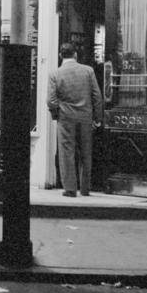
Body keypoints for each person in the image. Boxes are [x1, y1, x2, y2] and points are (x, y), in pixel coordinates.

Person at [47, 43, 103, 198]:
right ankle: (85, 188)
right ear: (75, 55)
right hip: (85, 117)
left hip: (65, 118)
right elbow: (97, 96)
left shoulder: (55, 74)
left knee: (66, 152)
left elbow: (51, 101)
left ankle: (70, 189)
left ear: (60, 55)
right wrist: (97, 118)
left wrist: (56, 115)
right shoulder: (88, 71)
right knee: (86, 152)